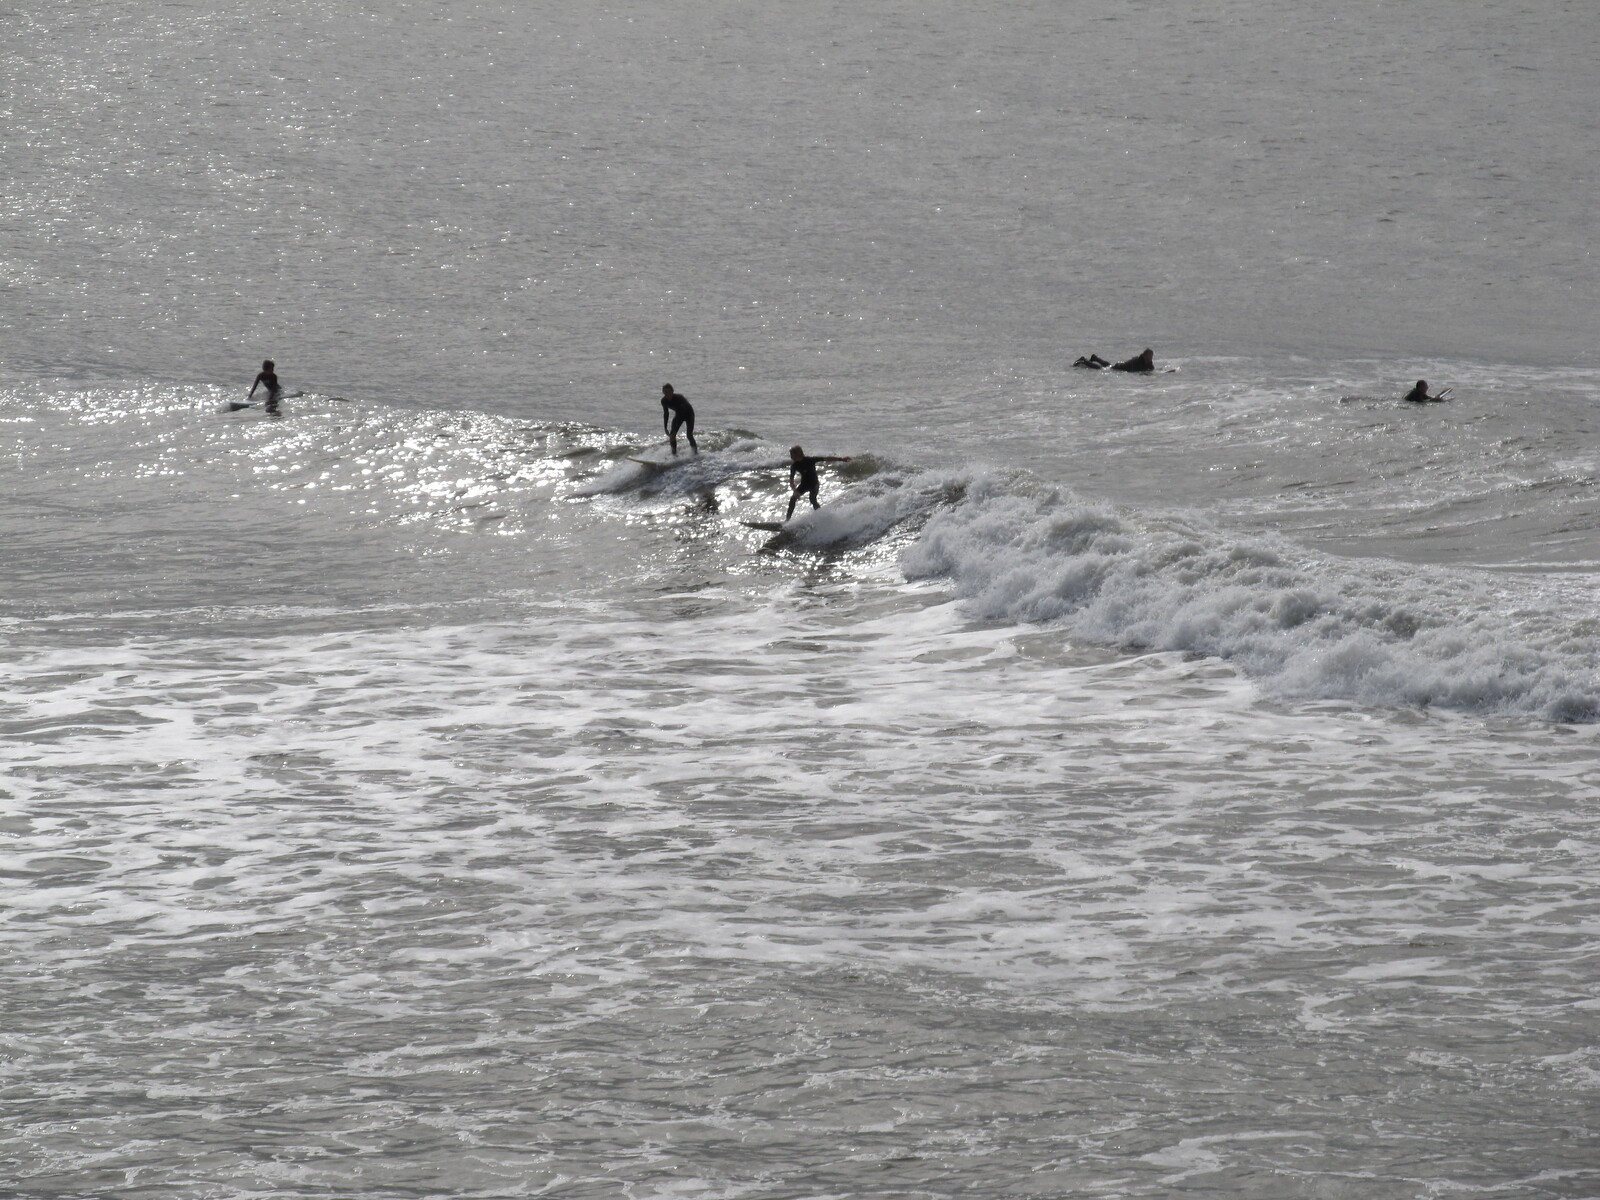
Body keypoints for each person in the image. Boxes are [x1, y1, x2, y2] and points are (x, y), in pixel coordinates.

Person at [786, 445, 852, 520]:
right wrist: (795, 491)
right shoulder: (794, 466)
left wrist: (841, 459)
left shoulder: (810, 460)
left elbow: (826, 458)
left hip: (814, 484)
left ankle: (822, 517)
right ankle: (787, 520)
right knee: (793, 498)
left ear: (798, 454)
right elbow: (791, 480)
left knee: (812, 499)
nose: (791, 457)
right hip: (804, 485)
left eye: (792, 455)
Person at [659, 384, 697, 455]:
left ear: (672, 391)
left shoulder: (679, 398)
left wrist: (675, 426)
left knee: (689, 435)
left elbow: (682, 410)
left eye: (669, 391)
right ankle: (674, 455)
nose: (667, 394)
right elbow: (666, 414)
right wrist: (665, 427)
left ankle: (695, 453)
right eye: (665, 392)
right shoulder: (664, 401)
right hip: (679, 414)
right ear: (663, 393)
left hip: (689, 414)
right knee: (672, 436)